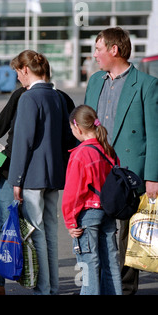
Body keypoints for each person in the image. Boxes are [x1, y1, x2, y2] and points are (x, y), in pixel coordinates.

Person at [84, 27, 158, 295]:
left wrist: (152, 177)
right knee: (96, 230)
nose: (94, 55)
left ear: (114, 50)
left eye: (98, 49)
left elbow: (154, 134)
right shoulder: (94, 81)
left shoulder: (147, 85)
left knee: (128, 237)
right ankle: (97, 286)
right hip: (97, 168)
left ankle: (124, 290)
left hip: (130, 172)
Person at [7, 50, 73, 295]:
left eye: (18, 73)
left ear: (25, 69)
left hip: (33, 175)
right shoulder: (57, 96)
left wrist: (16, 179)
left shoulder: (28, 98)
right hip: (54, 174)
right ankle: (52, 287)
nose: (18, 79)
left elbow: (23, 142)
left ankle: (43, 289)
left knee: (37, 234)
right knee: (51, 234)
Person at [62, 105, 122, 295]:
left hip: (87, 215)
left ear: (77, 128)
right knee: (111, 262)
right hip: (108, 212)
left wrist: (70, 221)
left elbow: (73, 193)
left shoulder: (80, 154)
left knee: (88, 267)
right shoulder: (108, 150)